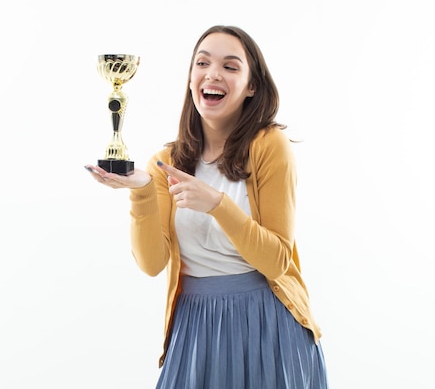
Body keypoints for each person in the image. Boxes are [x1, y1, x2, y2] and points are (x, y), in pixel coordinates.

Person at [85, 25, 328, 389]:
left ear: (252, 86)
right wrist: (142, 193)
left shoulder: (269, 145)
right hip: (195, 326)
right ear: (191, 79)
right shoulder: (166, 161)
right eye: (203, 63)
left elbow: (277, 260)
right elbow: (152, 265)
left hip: (269, 325)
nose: (213, 74)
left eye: (230, 67)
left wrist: (218, 205)